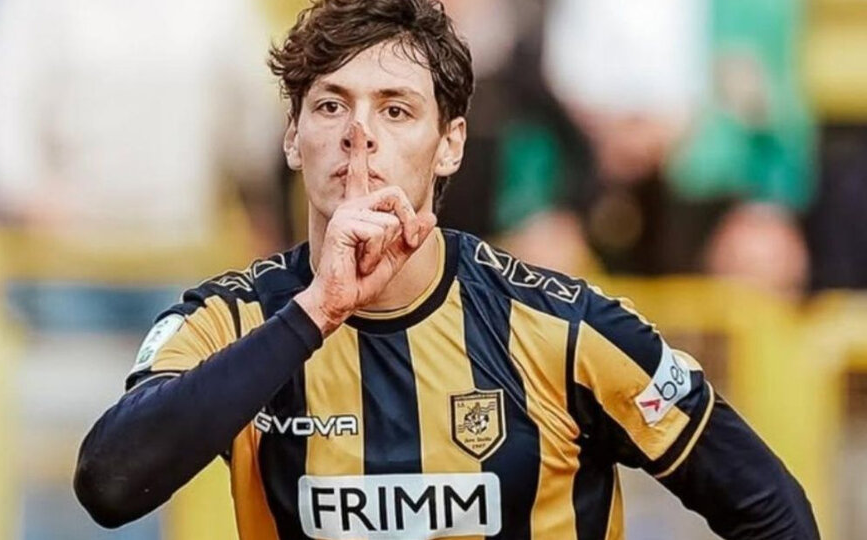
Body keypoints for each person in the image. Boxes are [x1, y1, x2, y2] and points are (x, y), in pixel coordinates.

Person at [74, 1, 820, 538]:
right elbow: (109, 485)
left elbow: (769, 509)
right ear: (293, 138)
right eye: (330, 107)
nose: (360, 134)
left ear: (451, 144)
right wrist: (315, 313)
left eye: (395, 110)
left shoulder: (562, 330)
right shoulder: (232, 321)